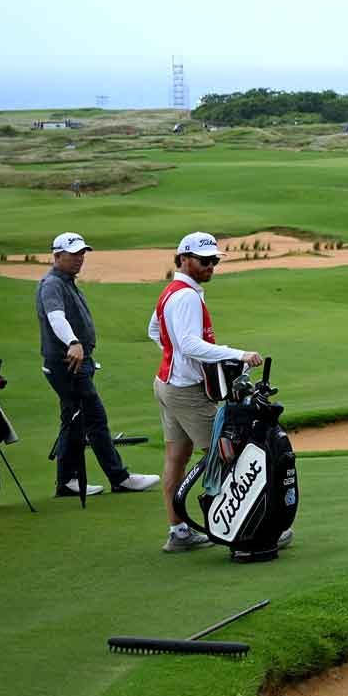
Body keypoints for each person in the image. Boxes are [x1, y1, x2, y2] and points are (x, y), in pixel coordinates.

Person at [146, 232, 262, 552]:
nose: (211, 266)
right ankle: (245, 529)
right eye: (204, 260)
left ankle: (179, 532)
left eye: (214, 260)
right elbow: (189, 344)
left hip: (167, 384)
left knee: (176, 458)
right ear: (184, 259)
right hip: (185, 392)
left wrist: (176, 356)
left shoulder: (174, 290)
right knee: (227, 454)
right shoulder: (185, 296)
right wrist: (236, 355)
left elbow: (155, 331)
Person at [37, 231, 160, 499]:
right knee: (95, 420)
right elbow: (56, 318)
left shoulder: (66, 281)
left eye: (82, 253)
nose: (80, 258)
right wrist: (73, 342)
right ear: (57, 255)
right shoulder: (52, 284)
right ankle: (120, 477)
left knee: (74, 420)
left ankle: (67, 481)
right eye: (74, 254)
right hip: (67, 364)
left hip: (77, 363)